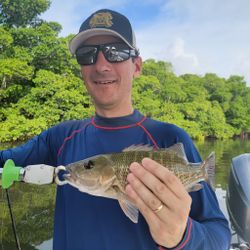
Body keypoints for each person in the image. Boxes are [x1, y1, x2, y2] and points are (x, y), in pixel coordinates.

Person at [0, 9, 231, 250]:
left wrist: (182, 236)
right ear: (81, 69)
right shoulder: (59, 137)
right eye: (87, 54)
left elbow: (219, 236)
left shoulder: (169, 138)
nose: (101, 65)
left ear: (137, 66)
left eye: (116, 52)